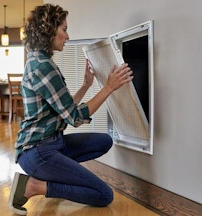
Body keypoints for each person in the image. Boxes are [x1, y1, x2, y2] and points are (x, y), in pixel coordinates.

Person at [8, 3, 133, 215]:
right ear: (49, 31)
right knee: (104, 195)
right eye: (64, 29)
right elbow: (74, 118)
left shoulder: (41, 61)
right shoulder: (42, 66)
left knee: (104, 141)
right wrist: (109, 87)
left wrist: (86, 85)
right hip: (37, 151)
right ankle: (35, 186)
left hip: (51, 143)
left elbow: (63, 111)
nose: (67, 36)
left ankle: (52, 173)